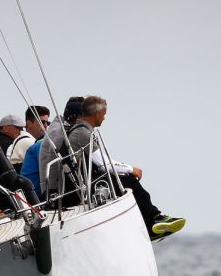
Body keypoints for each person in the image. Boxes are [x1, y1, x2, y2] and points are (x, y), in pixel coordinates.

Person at [67, 95, 185, 238]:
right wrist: (131, 169)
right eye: (104, 113)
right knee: (130, 182)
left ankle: (151, 222)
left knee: (125, 178)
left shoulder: (83, 130)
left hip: (83, 182)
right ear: (97, 113)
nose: (104, 117)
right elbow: (104, 165)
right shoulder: (82, 133)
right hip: (77, 188)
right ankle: (153, 220)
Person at [39, 96, 86, 197]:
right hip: (56, 192)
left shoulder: (58, 127)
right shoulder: (60, 133)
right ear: (79, 117)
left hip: (51, 188)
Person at [20, 106, 50, 197]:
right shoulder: (27, 142)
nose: (45, 125)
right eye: (42, 122)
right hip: (35, 196)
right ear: (29, 123)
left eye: (48, 122)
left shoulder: (30, 141)